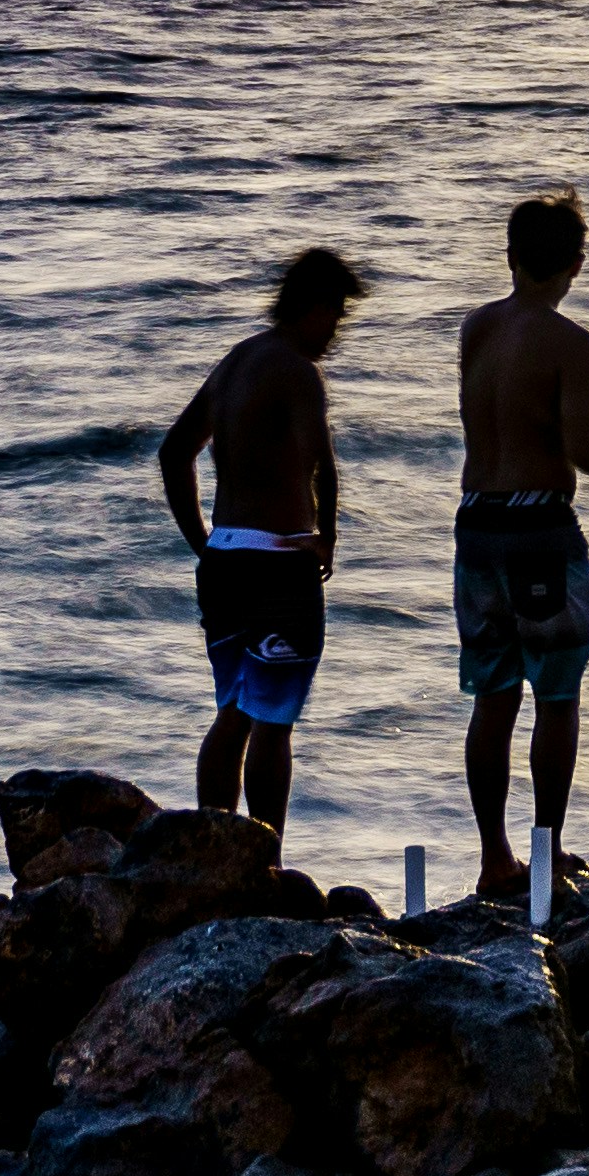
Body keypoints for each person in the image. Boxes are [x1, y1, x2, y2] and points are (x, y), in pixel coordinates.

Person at [446, 186, 589, 926]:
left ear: (509, 257)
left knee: (493, 697)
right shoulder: (577, 345)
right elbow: (582, 449)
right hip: (540, 533)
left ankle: (493, 859)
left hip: (476, 526)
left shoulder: (475, 329)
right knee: (555, 696)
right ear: (577, 264)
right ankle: (544, 857)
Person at [152, 245, 366, 867]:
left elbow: (173, 453)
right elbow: (320, 464)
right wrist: (325, 535)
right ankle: (265, 863)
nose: (337, 330)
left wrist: (204, 542)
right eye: (336, 314)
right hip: (279, 564)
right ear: (314, 305)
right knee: (273, 721)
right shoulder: (298, 371)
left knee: (233, 713)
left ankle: (215, 857)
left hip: (224, 562)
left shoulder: (235, 361)